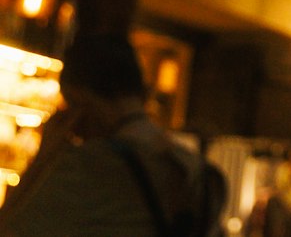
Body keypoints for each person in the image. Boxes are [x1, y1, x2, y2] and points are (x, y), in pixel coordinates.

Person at [0, 33, 225, 236]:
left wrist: (46, 155)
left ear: (81, 101)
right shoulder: (200, 172)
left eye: (67, 104)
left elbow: (10, 227)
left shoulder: (84, 169)